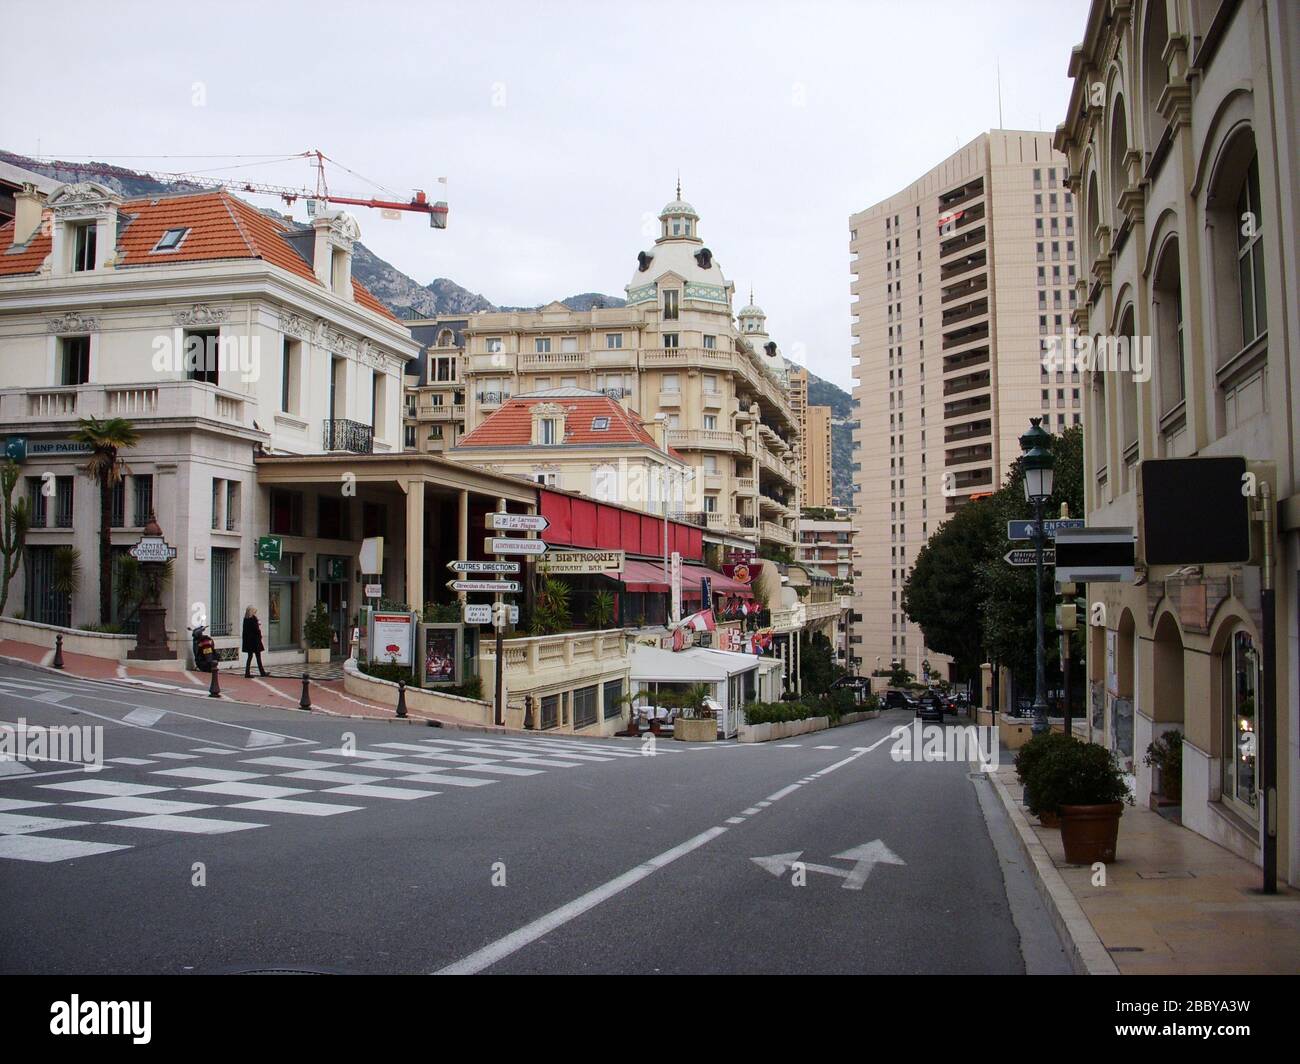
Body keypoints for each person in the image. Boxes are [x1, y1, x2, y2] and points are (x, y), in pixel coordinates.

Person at [242, 605, 269, 678]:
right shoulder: (253, 619)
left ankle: (247, 673)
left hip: (249, 641)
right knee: (258, 657)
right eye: (254, 611)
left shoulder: (245, 619)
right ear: (251, 611)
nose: (255, 613)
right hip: (254, 641)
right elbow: (256, 629)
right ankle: (262, 672)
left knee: (250, 657)